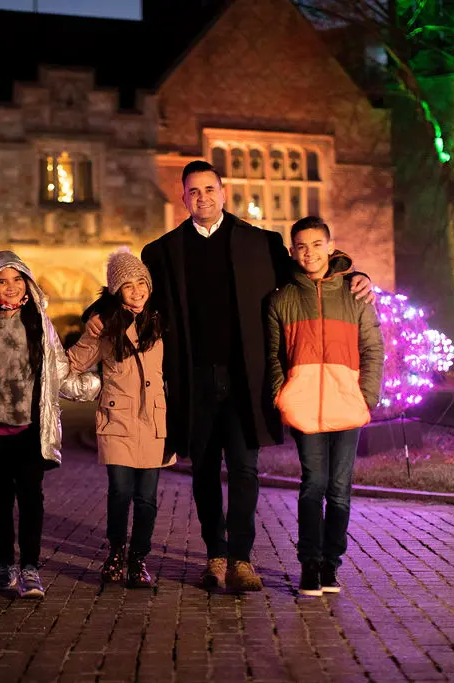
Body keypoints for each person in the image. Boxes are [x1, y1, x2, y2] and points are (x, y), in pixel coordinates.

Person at [88, 160, 373, 592]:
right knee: (203, 470)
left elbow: (307, 277)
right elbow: (132, 298)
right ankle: (215, 554)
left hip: (245, 379)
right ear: (183, 198)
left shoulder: (261, 243)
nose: (202, 197)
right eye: (193, 192)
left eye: (209, 189)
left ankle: (241, 557)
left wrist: (355, 276)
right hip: (193, 378)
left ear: (223, 192)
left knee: (244, 468)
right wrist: (95, 314)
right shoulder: (162, 253)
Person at [0, 251, 98, 600]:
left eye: (17, 280)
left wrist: (92, 385)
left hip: (31, 429)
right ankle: (6, 566)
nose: (11, 287)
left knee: (31, 499)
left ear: (28, 283)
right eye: (2, 281)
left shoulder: (39, 323)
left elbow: (58, 371)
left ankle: (30, 568)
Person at [268, 216, 383, 596]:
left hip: (347, 403)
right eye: (301, 246)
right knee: (312, 485)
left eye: (317, 244)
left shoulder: (355, 294)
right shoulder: (281, 299)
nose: (309, 253)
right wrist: (280, 395)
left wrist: (366, 396)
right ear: (292, 252)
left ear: (330, 247)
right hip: (303, 408)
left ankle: (332, 563)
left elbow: (372, 348)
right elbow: (273, 356)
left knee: (339, 488)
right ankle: (309, 564)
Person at [68, 248, 175, 589]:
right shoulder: (106, 324)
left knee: (147, 498)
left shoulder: (161, 321)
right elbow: (74, 363)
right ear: (116, 290)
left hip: (155, 420)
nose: (136, 290)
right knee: (120, 491)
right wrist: (90, 332)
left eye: (140, 282)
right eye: (127, 285)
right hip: (118, 421)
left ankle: (138, 559)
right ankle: (116, 554)